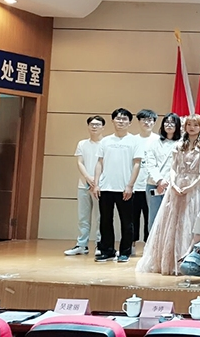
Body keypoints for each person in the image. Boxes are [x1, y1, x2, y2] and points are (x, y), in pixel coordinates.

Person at [136, 114, 200, 275]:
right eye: (189, 125)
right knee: (173, 223)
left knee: (192, 221)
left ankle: (193, 261)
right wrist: (173, 183)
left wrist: (192, 185)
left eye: (196, 125)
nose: (192, 128)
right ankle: (170, 262)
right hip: (177, 186)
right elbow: (173, 168)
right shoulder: (179, 145)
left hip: (196, 188)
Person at [93, 108, 144, 263]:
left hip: (125, 188)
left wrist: (130, 185)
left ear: (129, 122)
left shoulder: (135, 141)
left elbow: (137, 164)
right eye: (118, 118)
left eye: (124, 119)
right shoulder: (105, 141)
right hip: (105, 187)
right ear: (113, 121)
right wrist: (96, 184)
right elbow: (99, 162)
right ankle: (107, 250)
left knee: (127, 222)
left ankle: (125, 252)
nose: (121, 121)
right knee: (105, 221)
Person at [65, 115, 105, 256]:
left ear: (103, 127)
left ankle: (100, 244)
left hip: (100, 186)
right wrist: (88, 178)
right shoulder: (82, 144)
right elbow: (79, 162)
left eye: (97, 124)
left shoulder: (106, 143)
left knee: (101, 217)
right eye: (92, 124)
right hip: (83, 185)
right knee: (83, 217)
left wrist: (96, 181)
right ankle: (82, 245)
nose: (94, 127)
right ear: (88, 126)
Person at [143, 113, 181, 233]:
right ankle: (152, 245)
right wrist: (160, 180)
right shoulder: (154, 142)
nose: (169, 125)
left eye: (172, 122)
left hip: (173, 186)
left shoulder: (182, 143)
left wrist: (168, 182)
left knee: (171, 219)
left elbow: (180, 166)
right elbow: (150, 164)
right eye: (166, 122)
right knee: (154, 218)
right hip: (154, 185)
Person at [130, 109, 159, 246]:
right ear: (139, 121)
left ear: (154, 122)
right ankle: (131, 246)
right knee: (132, 217)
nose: (147, 123)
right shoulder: (132, 140)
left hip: (152, 185)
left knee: (151, 217)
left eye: (150, 120)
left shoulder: (158, 140)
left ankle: (149, 246)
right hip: (134, 186)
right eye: (144, 120)